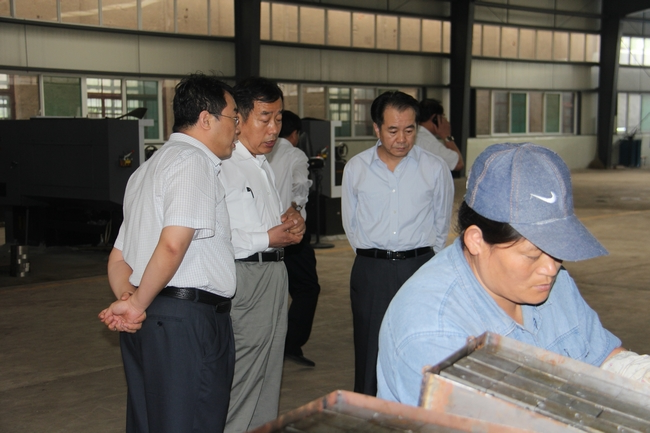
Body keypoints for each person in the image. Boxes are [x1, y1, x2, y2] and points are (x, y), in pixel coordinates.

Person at [377, 142, 650, 407]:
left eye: (557, 251)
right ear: (476, 241)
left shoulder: (550, 279)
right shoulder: (433, 331)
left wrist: (638, 374)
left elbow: (603, 356)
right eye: (532, 255)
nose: (551, 268)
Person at [98, 73, 239, 432]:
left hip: (152, 320)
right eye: (234, 117)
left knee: (150, 422)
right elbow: (173, 243)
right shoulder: (193, 162)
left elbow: (119, 257)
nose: (237, 128)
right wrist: (136, 304)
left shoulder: (146, 170)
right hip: (185, 323)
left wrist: (130, 302)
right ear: (206, 119)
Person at [341, 91, 455, 396]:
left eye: (409, 130)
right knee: (370, 348)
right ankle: (367, 410)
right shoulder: (357, 168)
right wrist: (375, 256)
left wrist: (422, 260)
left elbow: (441, 223)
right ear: (376, 129)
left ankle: (415, 410)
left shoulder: (434, 168)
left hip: (418, 268)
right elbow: (351, 224)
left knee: (418, 344)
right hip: (372, 270)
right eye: (392, 130)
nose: (402, 139)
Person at [220, 77, 306, 433]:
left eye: (279, 118)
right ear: (238, 119)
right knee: (242, 378)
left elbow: (268, 220)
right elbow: (214, 237)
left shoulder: (261, 164)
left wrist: (291, 221)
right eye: (265, 118)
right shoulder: (224, 166)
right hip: (245, 278)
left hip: (273, 274)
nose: (274, 129)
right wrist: (267, 237)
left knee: (269, 373)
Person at [267, 110, 321, 368]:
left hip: (266, 235)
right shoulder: (294, 154)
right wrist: (295, 210)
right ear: (295, 133)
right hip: (292, 232)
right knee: (307, 288)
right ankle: (291, 343)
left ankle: (272, 343)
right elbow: (301, 186)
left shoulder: (260, 152)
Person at [415, 98, 464, 171]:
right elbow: (458, 164)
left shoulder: (416, 134)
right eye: (443, 116)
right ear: (435, 118)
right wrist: (447, 136)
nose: (446, 120)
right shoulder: (429, 142)